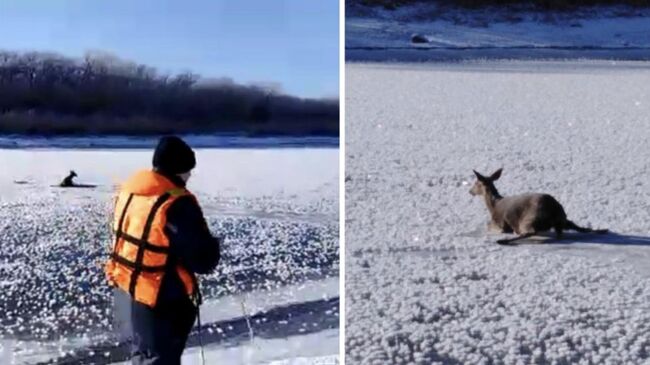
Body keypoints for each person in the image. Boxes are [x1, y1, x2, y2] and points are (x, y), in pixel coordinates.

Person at [105, 135, 221, 364]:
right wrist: (213, 246)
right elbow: (203, 260)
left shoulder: (131, 191)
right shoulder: (176, 203)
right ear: (178, 169)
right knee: (159, 359)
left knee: (142, 355)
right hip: (160, 295)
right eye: (188, 170)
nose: (189, 176)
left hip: (126, 287)